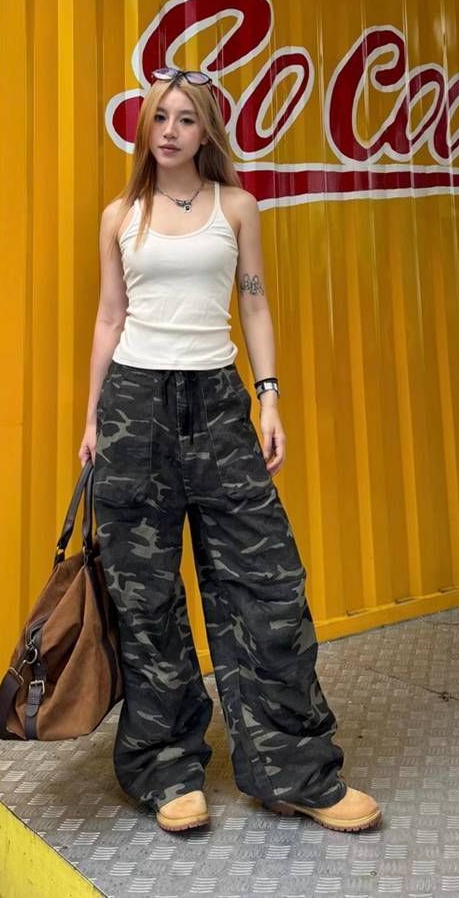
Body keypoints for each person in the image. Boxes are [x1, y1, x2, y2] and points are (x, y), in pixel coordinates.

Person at [78, 67, 381, 835]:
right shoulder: (121, 215)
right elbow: (110, 318)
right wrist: (91, 420)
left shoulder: (237, 207)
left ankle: (294, 771)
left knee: (268, 584)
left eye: (186, 118)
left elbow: (255, 301)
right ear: (145, 127)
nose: (170, 130)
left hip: (217, 404)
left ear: (207, 130)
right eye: (160, 117)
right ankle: (166, 767)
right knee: (146, 598)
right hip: (134, 409)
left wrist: (269, 395)